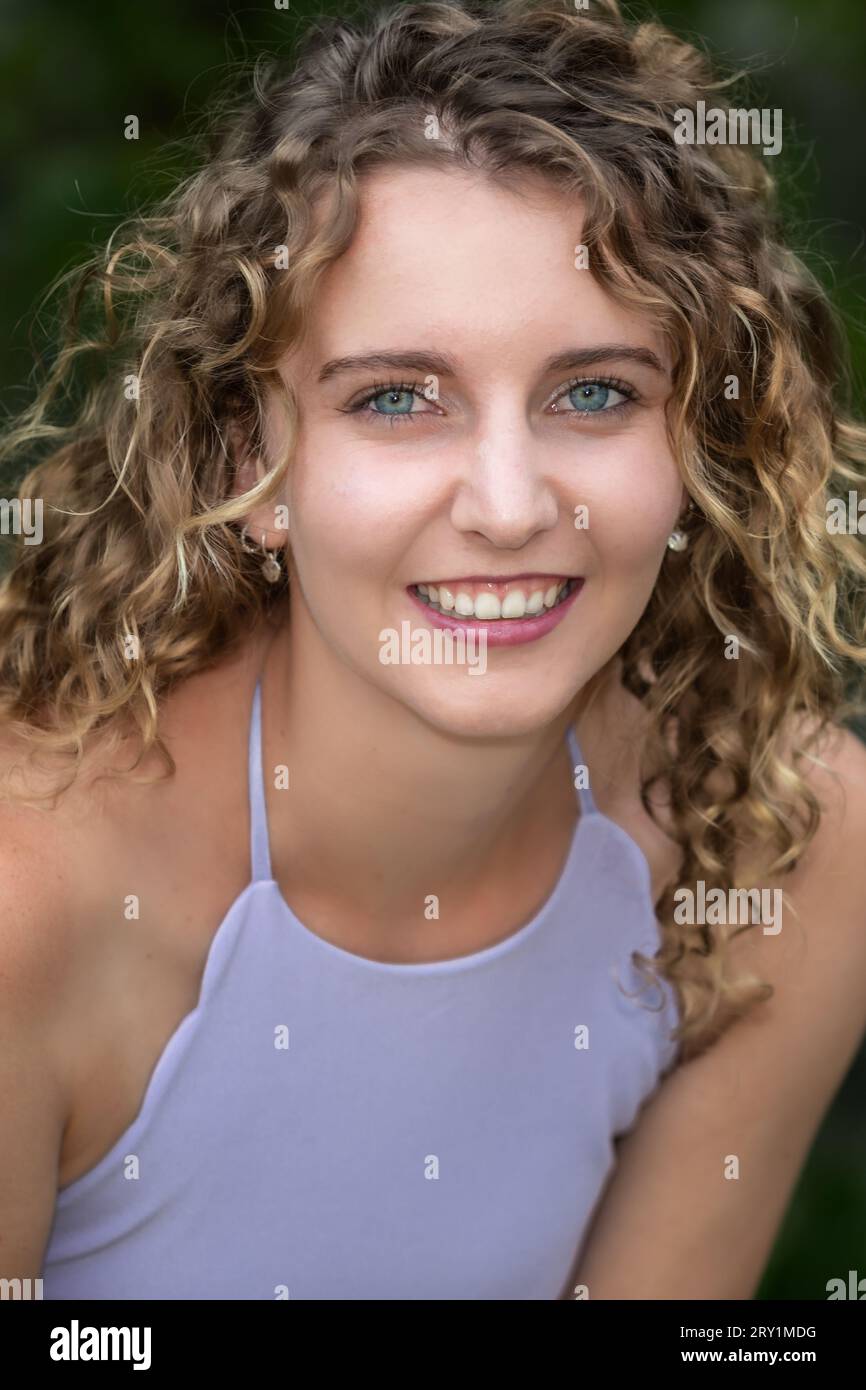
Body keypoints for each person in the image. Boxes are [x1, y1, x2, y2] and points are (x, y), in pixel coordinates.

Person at [2, 0, 866, 1301]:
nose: (509, 503)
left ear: (694, 450)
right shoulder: (34, 906)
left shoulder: (792, 843)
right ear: (255, 465)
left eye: (595, 392)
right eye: (396, 398)